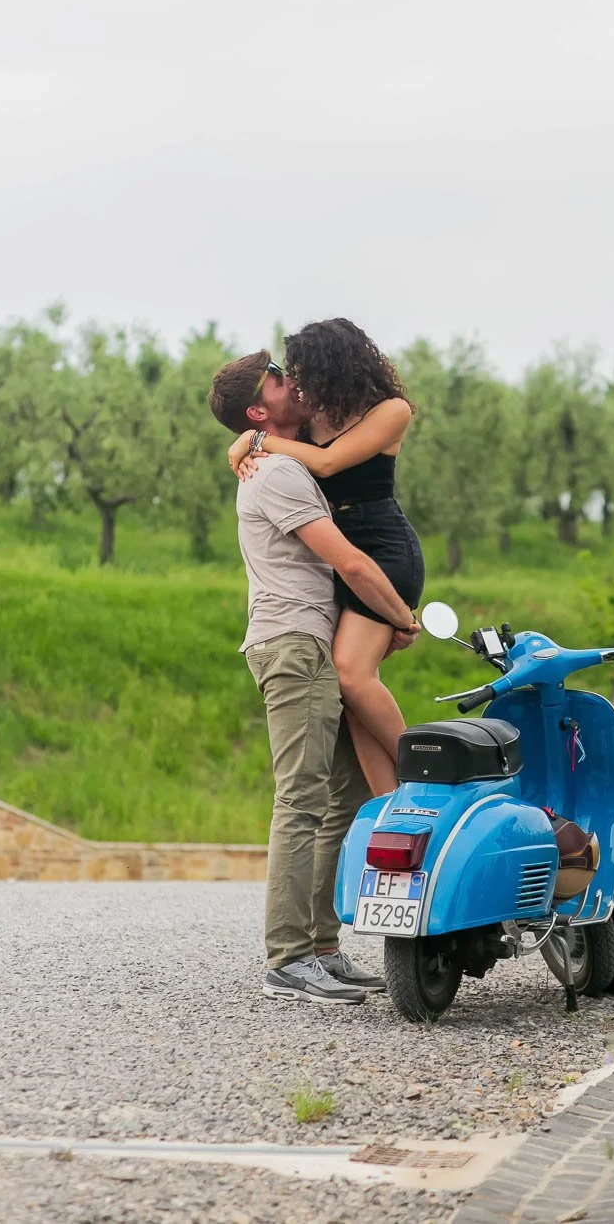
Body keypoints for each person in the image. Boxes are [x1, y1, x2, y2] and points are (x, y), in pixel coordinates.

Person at [208, 350, 421, 1005]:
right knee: (301, 800)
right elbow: (352, 565)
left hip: (314, 644)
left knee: (343, 799)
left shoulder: (277, 454)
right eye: (277, 377)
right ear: (257, 408)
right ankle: (288, 958)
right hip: (294, 644)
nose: (291, 380)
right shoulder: (276, 474)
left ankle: (323, 948)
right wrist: (399, 616)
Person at [226, 319, 424, 797]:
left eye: (302, 370)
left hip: (382, 551)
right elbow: (273, 434)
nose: (296, 381)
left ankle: (429, 774)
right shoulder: (310, 421)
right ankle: (389, 805)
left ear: (335, 366)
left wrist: (257, 441)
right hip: (340, 557)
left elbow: (330, 462)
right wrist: (242, 442)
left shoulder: (390, 411)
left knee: (352, 672)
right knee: (352, 693)